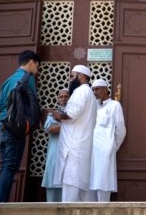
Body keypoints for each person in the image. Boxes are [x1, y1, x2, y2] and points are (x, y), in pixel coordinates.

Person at [0, 50, 41, 202]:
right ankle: (0, 204)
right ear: (31, 62)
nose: (37, 70)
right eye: (37, 66)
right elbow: (32, 104)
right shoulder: (28, 78)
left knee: (5, 165)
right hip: (15, 128)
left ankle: (0, 201)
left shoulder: (7, 80)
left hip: (1, 126)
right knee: (10, 166)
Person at [51, 65, 98, 202]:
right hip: (80, 145)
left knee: (71, 187)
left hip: (74, 146)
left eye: (72, 76)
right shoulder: (88, 93)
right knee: (81, 189)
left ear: (81, 76)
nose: (70, 79)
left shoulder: (81, 91)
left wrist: (57, 115)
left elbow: (72, 114)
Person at [89, 79, 126, 202]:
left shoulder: (115, 105)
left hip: (105, 151)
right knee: (90, 185)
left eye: (98, 89)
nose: (95, 92)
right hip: (90, 151)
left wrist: (113, 147)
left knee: (103, 183)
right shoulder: (93, 107)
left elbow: (121, 129)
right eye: (93, 89)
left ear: (106, 90)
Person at [41, 89, 70, 202]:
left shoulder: (75, 114)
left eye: (66, 97)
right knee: (52, 199)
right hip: (55, 158)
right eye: (61, 97)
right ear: (57, 99)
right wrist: (72, 127)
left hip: (70, 159)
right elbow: (51, 128)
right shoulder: (52, 114)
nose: (63, 99)